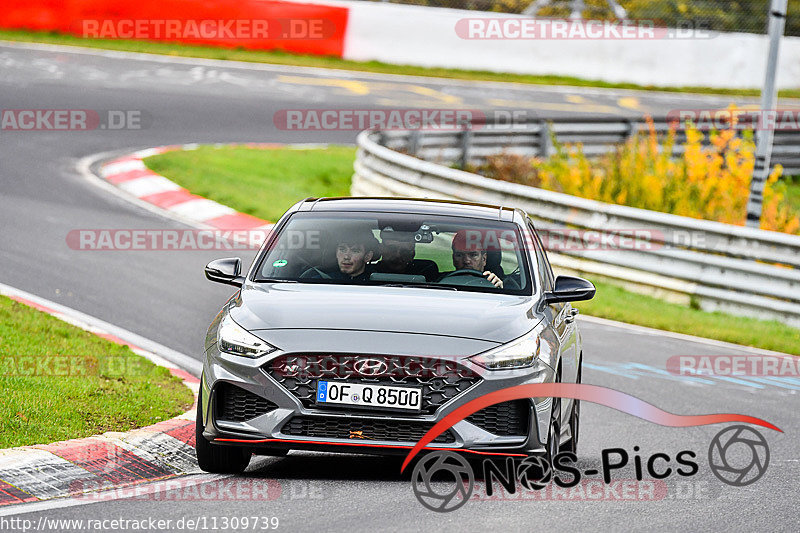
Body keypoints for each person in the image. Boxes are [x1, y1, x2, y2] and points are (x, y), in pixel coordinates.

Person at [305, 227, 378, 281]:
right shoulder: (319, 281)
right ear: (336, 252)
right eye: (342, 249)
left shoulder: (379, 283)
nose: (346, 256)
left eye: (355, 251)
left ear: (368, 256)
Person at [440, 229, 504, 288]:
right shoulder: (439, 281)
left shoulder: (497, 282)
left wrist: (499, 289)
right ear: (453, 259)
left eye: (473, 255)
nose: (466, 261)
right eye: (459, 255)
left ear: (484, 259)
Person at [374, 226, 439, 281]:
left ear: (413, 254)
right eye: (392, 249)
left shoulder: (428, 273)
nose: (398, 255)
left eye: (404, 251)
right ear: (381, 249)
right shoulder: (366, 275)